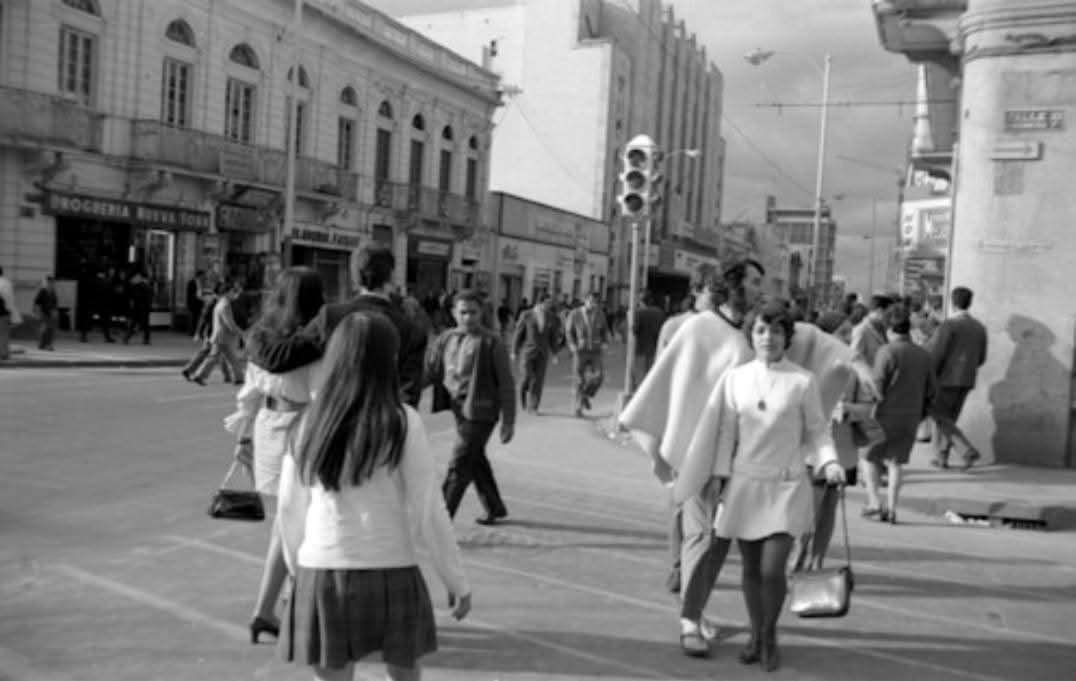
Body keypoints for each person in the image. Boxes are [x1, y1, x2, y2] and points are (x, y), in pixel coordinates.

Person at [622, 260, 865, 659]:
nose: (758, 287)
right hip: (702, 452)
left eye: (760, 281)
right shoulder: (701, 327)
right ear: (730, 285)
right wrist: (684, 447)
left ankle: (724, 622)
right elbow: (675, 384)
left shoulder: (758, 329)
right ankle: (689, 622)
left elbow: (817, 340)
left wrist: (855, 362)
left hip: (751, 465)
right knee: (701, 538)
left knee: (724, 546)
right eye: (752, 281)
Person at [276, 312, 471, 681]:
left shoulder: (308, 424)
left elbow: (289, 509)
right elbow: (429, 509)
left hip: (321, 572)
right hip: (391, 569)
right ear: (388, 362)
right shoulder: (401, 420)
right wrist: (456, 580)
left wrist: (295, 570)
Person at [673, 300, 846, 672]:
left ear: (787, 337)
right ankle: (758, 635)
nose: (769, 337)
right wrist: (719, 478)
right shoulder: (735, 379)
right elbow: (725, 436)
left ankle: (768, 635)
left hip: (785, 486)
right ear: (751, 335)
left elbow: (817, 431)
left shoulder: (802, 381)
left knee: (772, 569)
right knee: (751, 571)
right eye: (761, 330)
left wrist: (830, 462)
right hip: (744, 484)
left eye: (777, 330)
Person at [223, 267, 325, 644]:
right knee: (301, 526)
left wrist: (245, 437)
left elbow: (249, 392)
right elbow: (320, 393)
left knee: (286, 523)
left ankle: (268, 608)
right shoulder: (316, 342)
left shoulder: (262, 337)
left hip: (268, 424)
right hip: (302, 431)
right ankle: (287, 606)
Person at [252, 245, 427, 408]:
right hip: (381, 430)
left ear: (354, 278)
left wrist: (257, 334)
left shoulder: (331, 317)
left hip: (334, 423)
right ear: (390, 277)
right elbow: (407, 398)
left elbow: (278, 358)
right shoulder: (413, 332)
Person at [426, 289, 515, 525]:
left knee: (460, 463)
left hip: (482, 411)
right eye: (463, 312)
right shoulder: (446, 339)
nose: (468, 318)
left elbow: (506, 384)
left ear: (481, 313)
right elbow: (431, 371)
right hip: (459, 409)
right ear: (454, 313)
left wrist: (509, 422)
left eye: (473, 312)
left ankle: (439, 524)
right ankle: (494, 507)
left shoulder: (491, 343)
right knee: (474, 459)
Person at [863, 305, 936, 524]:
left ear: (889, 330)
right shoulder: (923, 355)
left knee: (869, 458)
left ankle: (874, 502)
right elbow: (933, 389)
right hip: (910, 417)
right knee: (896, 463)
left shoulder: (886, 352)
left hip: (884, 414)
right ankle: (893, 508)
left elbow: (876, 386)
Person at [930, 286, 988, 470]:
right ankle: (941, 457)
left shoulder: (949, 325)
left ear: (953, 302)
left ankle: (965, 449)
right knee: (949, 419)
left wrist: (930, 375)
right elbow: (981, 357)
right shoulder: (979, 327)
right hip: (967, 378)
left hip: (946, 378)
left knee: (939, 415)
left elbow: (937, 353)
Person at [511, 293, 562, 414]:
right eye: (548, 302)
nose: (550, 305)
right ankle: (523, 392)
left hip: (542, 353)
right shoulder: (526, 315)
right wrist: (514, 350)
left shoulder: (551, 317)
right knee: (527, 376)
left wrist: (555, 353)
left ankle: (533, 406)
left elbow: (553, 337)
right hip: (528, 351)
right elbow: (518, 333)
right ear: (541, 302)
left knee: (538, 380)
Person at [191, 280, 245, 386]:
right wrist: (241, 333)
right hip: (223, 337)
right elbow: (229, 323)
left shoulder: (220, 303)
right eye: (232, 291)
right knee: (218, 358)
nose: (233, 294)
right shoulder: (225, 305)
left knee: (229, 358)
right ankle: (199, 375)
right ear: (227, 292)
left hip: (219, 336)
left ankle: (239, 377)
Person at [564, 291, 609, 417]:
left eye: (595, 302)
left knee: (599, 376)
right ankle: (578, 408)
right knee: (579, 379)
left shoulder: (600, 314)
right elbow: (568, 331)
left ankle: (585, 395)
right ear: (585, 301)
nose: (593, 304)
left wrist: (605, 342)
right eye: (591, 301)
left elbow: (605, 331)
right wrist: (572, 345)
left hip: (595, 351)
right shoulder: (575, 314)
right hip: (580, 351)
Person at [632, 292, 666, 389]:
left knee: (641, 377)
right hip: (656, 348)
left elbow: (635, 330)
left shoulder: (639, 313)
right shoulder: (660, 312)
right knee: (653, 376)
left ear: (642, 302)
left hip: (641, 349)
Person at [0, 265, 22, 360]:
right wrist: (13, 316)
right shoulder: (6, 283)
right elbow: (9, 301)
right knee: (4, 334)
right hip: (2, 313)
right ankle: (3, 353)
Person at [124, 271, 153, 345]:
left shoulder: (136, 286)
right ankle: (146, 339)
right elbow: (149, 299)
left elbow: (133, 297)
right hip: (144, 308)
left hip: (137, 308)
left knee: (133, 323)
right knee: (146, 325)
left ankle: (127, 337)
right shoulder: (147, 287)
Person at [33, 274, 59, 351]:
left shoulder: (53, 292)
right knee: (44, 330)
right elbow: (37, 302)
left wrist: (55, 311)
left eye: (52, 282)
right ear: (47, 282)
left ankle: (48, 345)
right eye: (49, 282)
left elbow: (55, 303)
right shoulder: (42, 291)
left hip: (51, 314)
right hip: (43, 313)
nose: (51, 284)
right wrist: (37, 313)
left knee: (51, 330)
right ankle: (42, 344)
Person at [187, 271, 206, 337]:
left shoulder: (201, 283)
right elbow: (191, 294)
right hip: (193, 302)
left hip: (199, 302)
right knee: (193, 318)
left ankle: (197, 332)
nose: (204, 277)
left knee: (198, 318)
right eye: (203, 275)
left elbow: (200, 292)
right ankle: (192, 332)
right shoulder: (191, 282)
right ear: (199, 276)